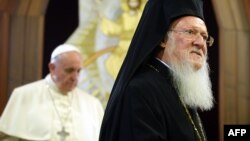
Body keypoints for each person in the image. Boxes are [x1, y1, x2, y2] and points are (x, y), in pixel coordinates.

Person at [99, 0, 215, 141]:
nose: (200, 43)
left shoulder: (181, 88)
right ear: (163, 39)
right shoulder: (140, 91)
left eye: (204, 36)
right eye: (190, 32)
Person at [0, 44, 104, 141]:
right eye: (69, 70)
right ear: (52, 68)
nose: (75, 77)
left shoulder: (92, 104)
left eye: (78, 71)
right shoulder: (24, 95)